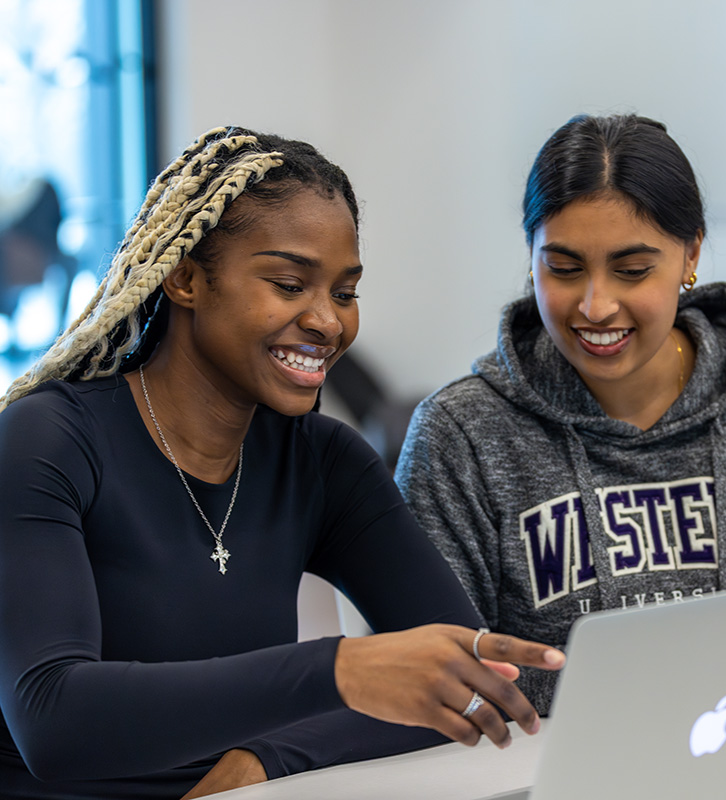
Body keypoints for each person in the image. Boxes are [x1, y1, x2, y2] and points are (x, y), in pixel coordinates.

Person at [0, 127, 565, 799]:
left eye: (345, 292)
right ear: (184, 277)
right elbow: (53, 721)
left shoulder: (323, 463)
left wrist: (271, 757)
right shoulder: (47, 438)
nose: (328, 321)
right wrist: (336, 670)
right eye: (290, 283)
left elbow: (470, 683)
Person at [396, 113, 726, 716]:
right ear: (530, 253)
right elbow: (437, 687)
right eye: (563, 268)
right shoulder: (460, 436)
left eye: (633, 271)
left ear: (690, 252)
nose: (596, 305)